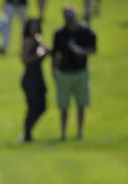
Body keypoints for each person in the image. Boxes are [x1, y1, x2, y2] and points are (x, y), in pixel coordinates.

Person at [51, 3, 95, 141]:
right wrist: (53, 70)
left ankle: (80, 132)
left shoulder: (85, 31)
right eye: (66, 16)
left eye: (70, 16)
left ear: (75, 15)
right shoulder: (59, 33)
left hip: (80, 71)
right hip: (64, 72)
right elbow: (55, 54)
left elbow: (92, 49)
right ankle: (63, 133)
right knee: (64, 106)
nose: (68, 18)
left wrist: (81, 51)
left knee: (81, 105)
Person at [20, 17, 48, 141]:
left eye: (36, 26)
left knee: (42, 106)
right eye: (32, 26)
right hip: (30, 78)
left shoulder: (38, 39)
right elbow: (24, 60)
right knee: (34, 106)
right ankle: (27, 134)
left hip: (38, 76)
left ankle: (27, 133)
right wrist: (38, 56)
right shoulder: (27, 41)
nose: (35, 28)